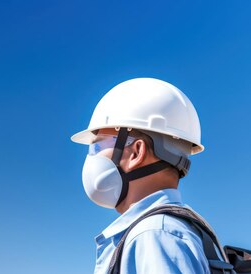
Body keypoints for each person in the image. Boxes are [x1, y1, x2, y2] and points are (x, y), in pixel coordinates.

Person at [71, 78, 212, 273]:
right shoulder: (183, 230)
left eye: (98, 145)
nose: (92, 157)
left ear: (137, 152)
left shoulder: (153, 235)